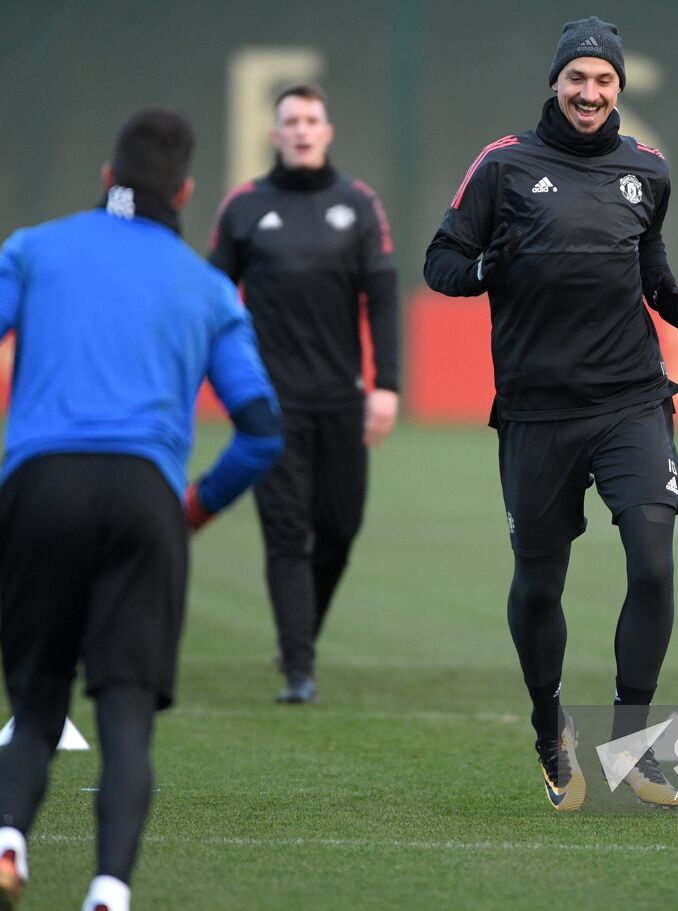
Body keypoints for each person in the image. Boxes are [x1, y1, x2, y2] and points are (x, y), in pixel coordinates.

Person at [0, 108, 284, 911]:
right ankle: (107, 891)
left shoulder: (34, 248)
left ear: (107, 178)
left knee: (36, 706)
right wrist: (193, 510)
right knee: (127, 719)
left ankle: (5, 848)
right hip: (144, 500)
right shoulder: (209, 287)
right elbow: (263, 430)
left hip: (40, 490)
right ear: (186, 192)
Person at [423, 16, 678, 812]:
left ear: (619, 88)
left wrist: (665, 295)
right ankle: (551, 728)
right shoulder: (504, 164)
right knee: (539, 584)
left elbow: (646, 250)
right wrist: (487, 264)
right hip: (537, 411)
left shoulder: (647, 169)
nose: (590, 92)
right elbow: (440, 262)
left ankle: (632, 739)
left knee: (653, 560)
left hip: (630, 397)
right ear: (555, 83)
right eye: (577, 78)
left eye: (604, 80)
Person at [209, 84, 399, 705]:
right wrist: (224, 378)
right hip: (270, 402)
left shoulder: (359, 204)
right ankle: (299, 668)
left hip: (342, 398)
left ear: (327, 131)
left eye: (311, 120)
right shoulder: (244, 207)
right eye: (290, 121)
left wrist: (387, 385)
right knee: (286, 531)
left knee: (339, 527)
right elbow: (212, 301)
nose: (300, 130)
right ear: (275, 134)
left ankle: (300, 636)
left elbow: (383, 299)